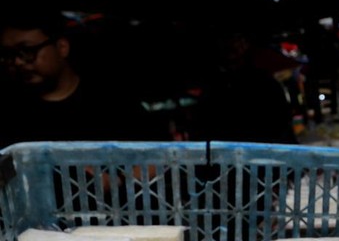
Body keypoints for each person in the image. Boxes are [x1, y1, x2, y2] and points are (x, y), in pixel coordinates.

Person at [0, 9, 168, 149]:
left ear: (62, 47)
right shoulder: (11, 112)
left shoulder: (111, 100)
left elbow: (161, 154)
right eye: (9, 55)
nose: (17, 62)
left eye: (27, 51)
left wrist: (117, 178)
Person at [192, 31, 297, 144]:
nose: (231, 44)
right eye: (225, 40)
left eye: (236, 39)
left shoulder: (265, 83)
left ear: (246, 44)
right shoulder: (211, 87)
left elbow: (282, 124)